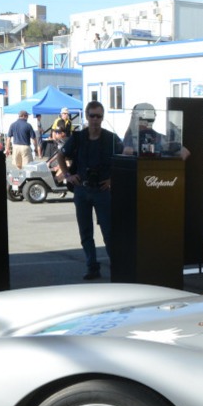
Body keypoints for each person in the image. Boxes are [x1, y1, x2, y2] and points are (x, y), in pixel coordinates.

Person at [53, 101, 124, 280]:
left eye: (98, 116)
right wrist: (68, 175)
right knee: (85, 231)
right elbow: (60, 155)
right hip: (82, 190)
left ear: (102, 117)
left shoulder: (112, 138)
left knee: (109, 231)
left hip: (103, 191)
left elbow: (125, 159)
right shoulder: (78, 137)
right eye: (92, 115)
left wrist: (113, 179)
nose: (95, 119)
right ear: (86, 116)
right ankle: (92, 267)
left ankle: (118, 267)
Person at [121, 102, 190, 158]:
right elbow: (185, 152)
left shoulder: (162, 139)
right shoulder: (162, 139)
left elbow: (184, 152)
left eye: (134, 116)